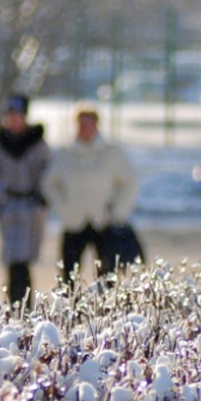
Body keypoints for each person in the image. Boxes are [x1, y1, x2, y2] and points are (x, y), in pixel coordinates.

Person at [42, 107, 140, 286]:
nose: (85, 128)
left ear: (96, 125)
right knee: (69, 276)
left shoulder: (111, 153)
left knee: (107, 274)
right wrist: (63, 209)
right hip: (74, 222)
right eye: (81, 124)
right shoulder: (65, 154)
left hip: (103, 221)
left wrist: (117, 211)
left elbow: (130, 182)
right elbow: (49, 184)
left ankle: (105, 310)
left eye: (88, 124)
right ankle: (72, 310)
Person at [0, 93, 49, 306]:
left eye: (18, 115)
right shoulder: (1, 143)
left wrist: (42, 197)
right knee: (12, 259)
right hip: (10, 206)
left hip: (31, 206)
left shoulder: (37, 143)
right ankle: (13, 303)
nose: (14, 120)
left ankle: (24, 306)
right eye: (10, 115)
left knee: (24, 261)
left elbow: (47, 173)